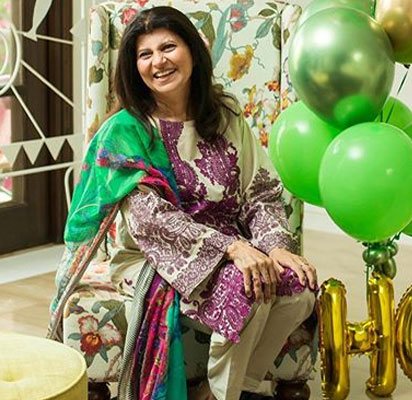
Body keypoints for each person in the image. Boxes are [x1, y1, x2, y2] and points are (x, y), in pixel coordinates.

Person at [47, 6, 317, 400]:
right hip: (155, 255)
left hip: (234, 247)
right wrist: (232, 248)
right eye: (145, 54)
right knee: (247, 288)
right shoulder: (127, 132)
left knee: (298, 289)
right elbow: (150, 221)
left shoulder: (225, 116)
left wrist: (274, 247)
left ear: (192, 50)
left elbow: (259, 191)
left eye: (168, 47)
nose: (158, 61)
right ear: (134, 67)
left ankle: (223, 390)